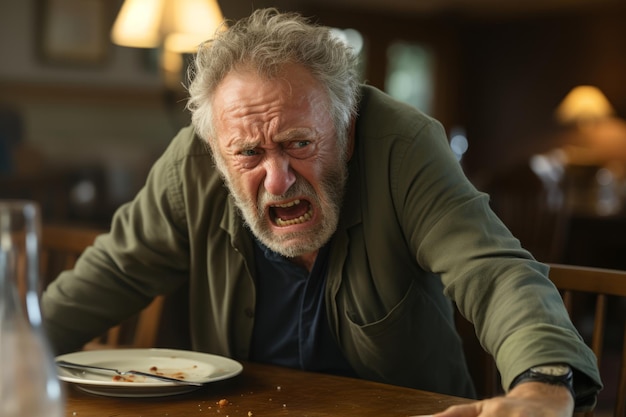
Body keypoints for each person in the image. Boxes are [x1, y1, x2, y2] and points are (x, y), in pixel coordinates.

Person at [42, 8, 601, 416]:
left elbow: (495, 272)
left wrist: (541, 385)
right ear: (217, 152)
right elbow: (112, 272)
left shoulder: (401, 146)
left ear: (348, 128)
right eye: (250, 153)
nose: (278, 179)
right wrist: (18, 347)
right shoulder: (192, 163)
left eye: (300, 143)